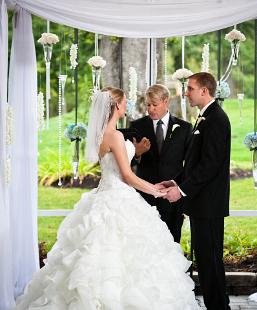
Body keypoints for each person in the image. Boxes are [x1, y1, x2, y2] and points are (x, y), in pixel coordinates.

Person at [13, 87, 198, 309]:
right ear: (117, 106)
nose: (127, 105)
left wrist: (138, 155)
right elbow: (128, 176)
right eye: (124, 102)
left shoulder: (101, 134)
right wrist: (156, 190)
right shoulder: (116, 135)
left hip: (103, 193)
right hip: (118, 195)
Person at [160, 72, 231, 310]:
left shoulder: (216, 120)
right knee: (206, 260)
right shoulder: (205, 117)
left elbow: (210, 165)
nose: (186, 92)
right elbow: (194, 163)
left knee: (210, 261)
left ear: (204, 91)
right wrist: (175, 182)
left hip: (209, 205)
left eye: (190, 88)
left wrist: (182, 191)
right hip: (202, 204)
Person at [129, 84, 192, 242]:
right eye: (148, 105)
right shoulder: (137, 127)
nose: (150, 109)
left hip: (171, 196)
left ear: (166, 101)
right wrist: (137, 153)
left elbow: (190, 164)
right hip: (145, 195)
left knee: (172, 242)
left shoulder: (184, 128)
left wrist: (180, 189)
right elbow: (124, 163)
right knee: (145, 243)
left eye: (154, 105)